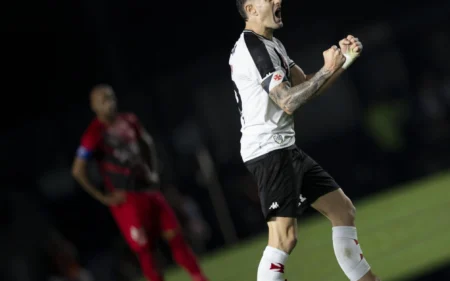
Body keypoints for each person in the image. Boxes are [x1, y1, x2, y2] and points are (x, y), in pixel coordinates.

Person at [229, 1, 381, 281]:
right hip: (268, 151)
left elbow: (306, 86)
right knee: (284, 238)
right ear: (250, 9)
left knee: (342, 210)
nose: (278, 1)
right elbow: (288, 102)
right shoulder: (255, 48)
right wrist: (327, 69)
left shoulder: (271, 44)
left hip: (283, 147)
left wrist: (343, 61)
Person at [71, 84, 208, 281]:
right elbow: (78, 169)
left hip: (148, 191)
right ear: (94, 106)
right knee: (146, 251)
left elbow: (147, 142)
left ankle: (199, 277)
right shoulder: (94, 134)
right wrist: (103, 197)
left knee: (176, 237)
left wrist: (152, 171)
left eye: (110, 98)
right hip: (126, 199)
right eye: (103, 101)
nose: (109, 104)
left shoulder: (128, 120)